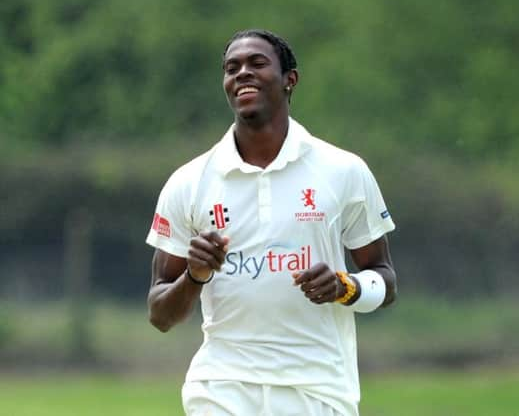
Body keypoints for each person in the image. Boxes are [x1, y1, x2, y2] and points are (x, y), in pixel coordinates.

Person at [146, 29, 397, 416]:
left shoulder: (343, 170)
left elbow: (385, 280)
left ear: (289, 80)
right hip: (221, 388)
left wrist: (345, 287)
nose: (242, 73)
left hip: (318, 389)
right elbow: (160, 314)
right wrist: (194, 276)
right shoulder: (189, 181)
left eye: (257, 63)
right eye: (232, 68)